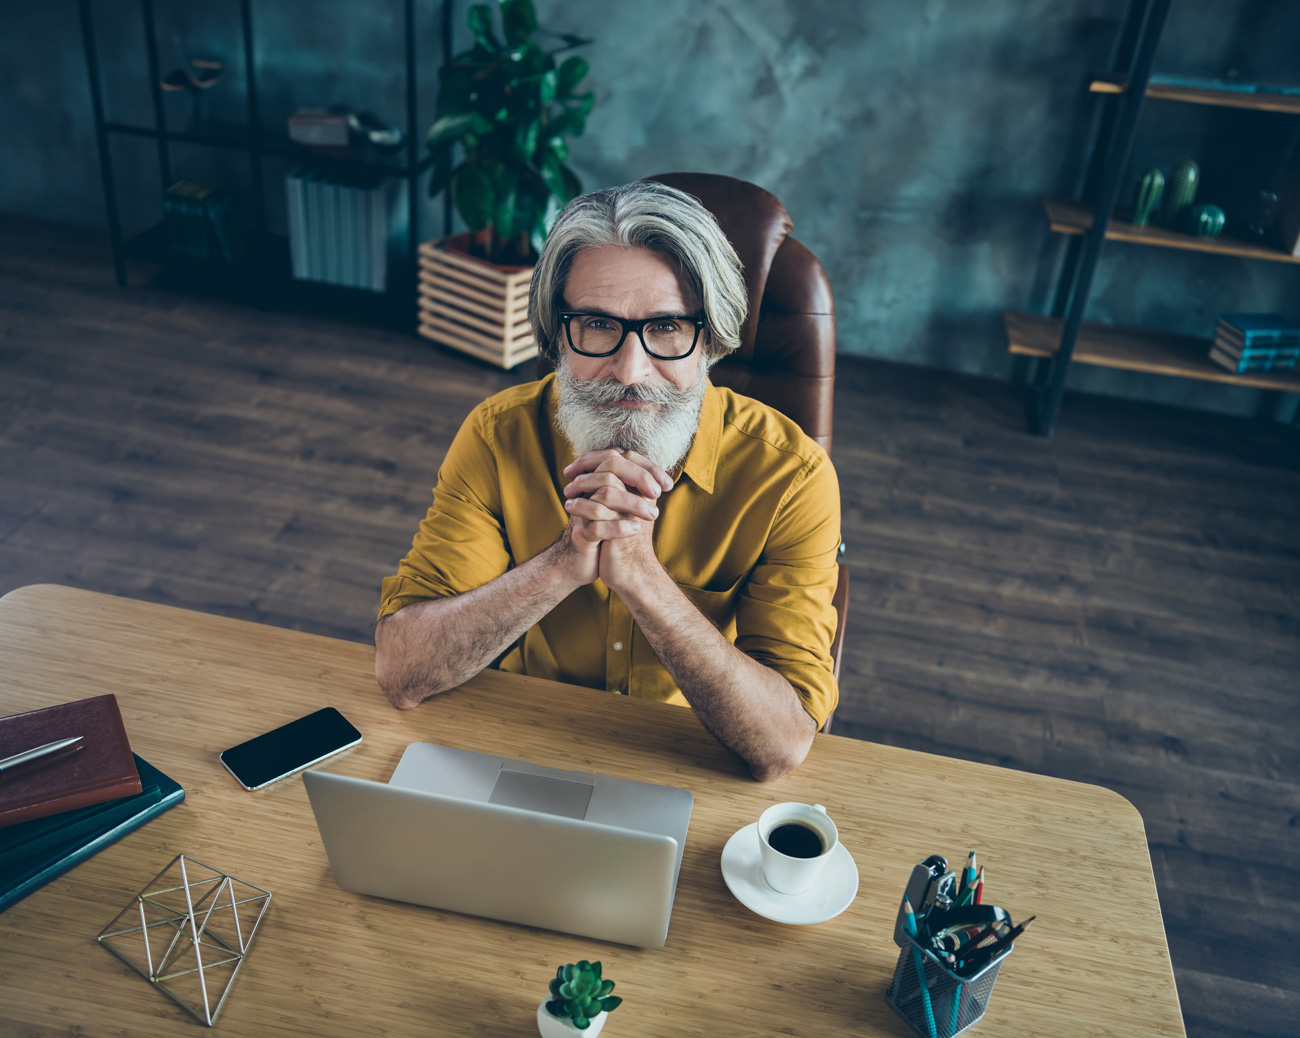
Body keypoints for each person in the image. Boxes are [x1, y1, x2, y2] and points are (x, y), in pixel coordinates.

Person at [375, 180, 840, 781]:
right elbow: (402, 672)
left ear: (713, 338)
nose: (630, 370)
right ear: (555, 334)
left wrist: (642, 577)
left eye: (668, 327)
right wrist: (566, 560)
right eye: (596, 324)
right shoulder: (497, 435)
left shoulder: (792, 476)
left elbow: (781, 744)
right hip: (518, 740)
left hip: (687, 757)